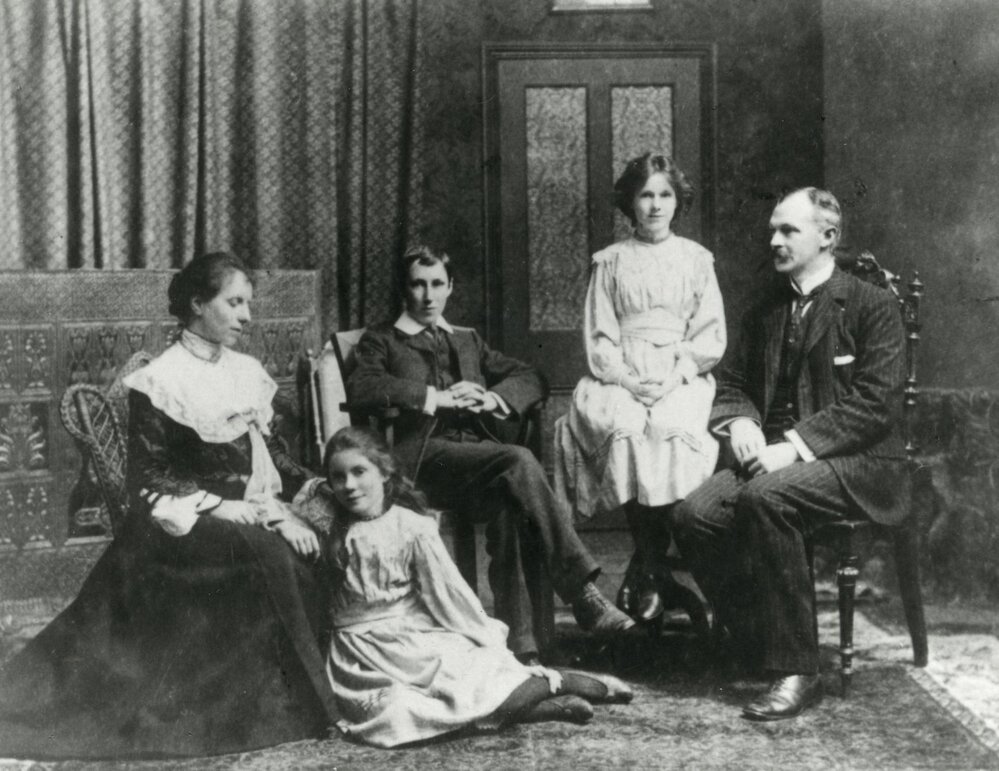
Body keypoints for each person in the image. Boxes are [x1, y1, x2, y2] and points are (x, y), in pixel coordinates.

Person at [0, 253, 337, 759]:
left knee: (312, 546)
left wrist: (308, 491)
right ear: (198, 304)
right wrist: (219, 507)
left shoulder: (245, 370)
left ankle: (325, 687)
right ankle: (305, 708)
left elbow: (274, 453)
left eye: (249, 303)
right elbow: (149, 476)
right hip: (178, 524)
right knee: (267, 555)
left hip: (250, 508)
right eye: (235, 302)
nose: (247, 315)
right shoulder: (162, 378)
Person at [668, 188, 910, 721]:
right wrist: (742, 423)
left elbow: (877, 404)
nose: (773, 240)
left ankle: (799, 668)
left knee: (766, 497)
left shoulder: (872, 305)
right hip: (778, 456)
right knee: (694, 515)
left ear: (828, 238)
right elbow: (730, 382)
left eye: (788, 231)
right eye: (772, 230)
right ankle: (757, 641)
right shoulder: (767, 306)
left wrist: (794, 447)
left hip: (858, 461)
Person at [347, 245, 636, 665]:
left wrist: (492, 399)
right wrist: (438, 397)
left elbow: (530, 376)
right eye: (417, 284)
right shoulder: (383, 340)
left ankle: (523, 652)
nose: (427, 296)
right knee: (517, 460)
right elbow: (362, 387)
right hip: (421, 460)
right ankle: (583, 593)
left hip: (475, 460)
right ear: (403, 289)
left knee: (509, 505)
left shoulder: (466, 340)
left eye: (436, 285)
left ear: (450, 288)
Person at [293, 426, 632, 748]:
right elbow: (285, 505)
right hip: (360, 654)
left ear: (384, 472)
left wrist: (485, 639)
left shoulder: (411, 527)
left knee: (468, 674)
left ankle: (555, 681)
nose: (349, 485)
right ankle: (537, 705)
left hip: (412, 636)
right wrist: (289, 520)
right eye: (338, 477)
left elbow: (448, 594)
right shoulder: (326, 520)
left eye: (359, 472)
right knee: (396, 711)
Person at [554, 153, 726, 624]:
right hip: (622, 373)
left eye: (664, 194)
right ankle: (656, 574)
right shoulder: (610, 262)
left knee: (670, 427)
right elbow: (600, 337)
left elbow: (710, 335)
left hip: (679, 372)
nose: (655, 205)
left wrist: (673, 375)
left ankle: (646, 571)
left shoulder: (696, 259)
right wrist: (629, 379)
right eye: (645, 194)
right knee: (625, 426)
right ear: (630, 202)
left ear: (677, 201)